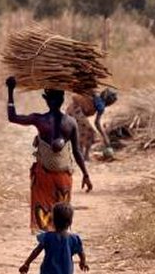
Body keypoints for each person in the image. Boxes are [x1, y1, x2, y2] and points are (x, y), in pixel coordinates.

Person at [6, 76, 92, 233]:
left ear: (46, 100)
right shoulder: (71, 122)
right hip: (63, 177)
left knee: (43, 215)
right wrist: (86, 175)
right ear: (61, 100)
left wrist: (10, 90)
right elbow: (77, 151)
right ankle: (61, 245)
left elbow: (12, 117)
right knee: (61, 216)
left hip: (44, 176)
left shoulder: (40, 120)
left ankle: (47, 246)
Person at [65, 88, 118, 160]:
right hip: (75, 112)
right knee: (88, 131)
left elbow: (96, 122)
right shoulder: (99, 104)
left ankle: (84, 155)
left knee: (88, 132)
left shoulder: (96, 99)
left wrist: (104, 136)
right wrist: (104, 136)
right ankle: (82, 155)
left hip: (71, 110)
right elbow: (97, 123)